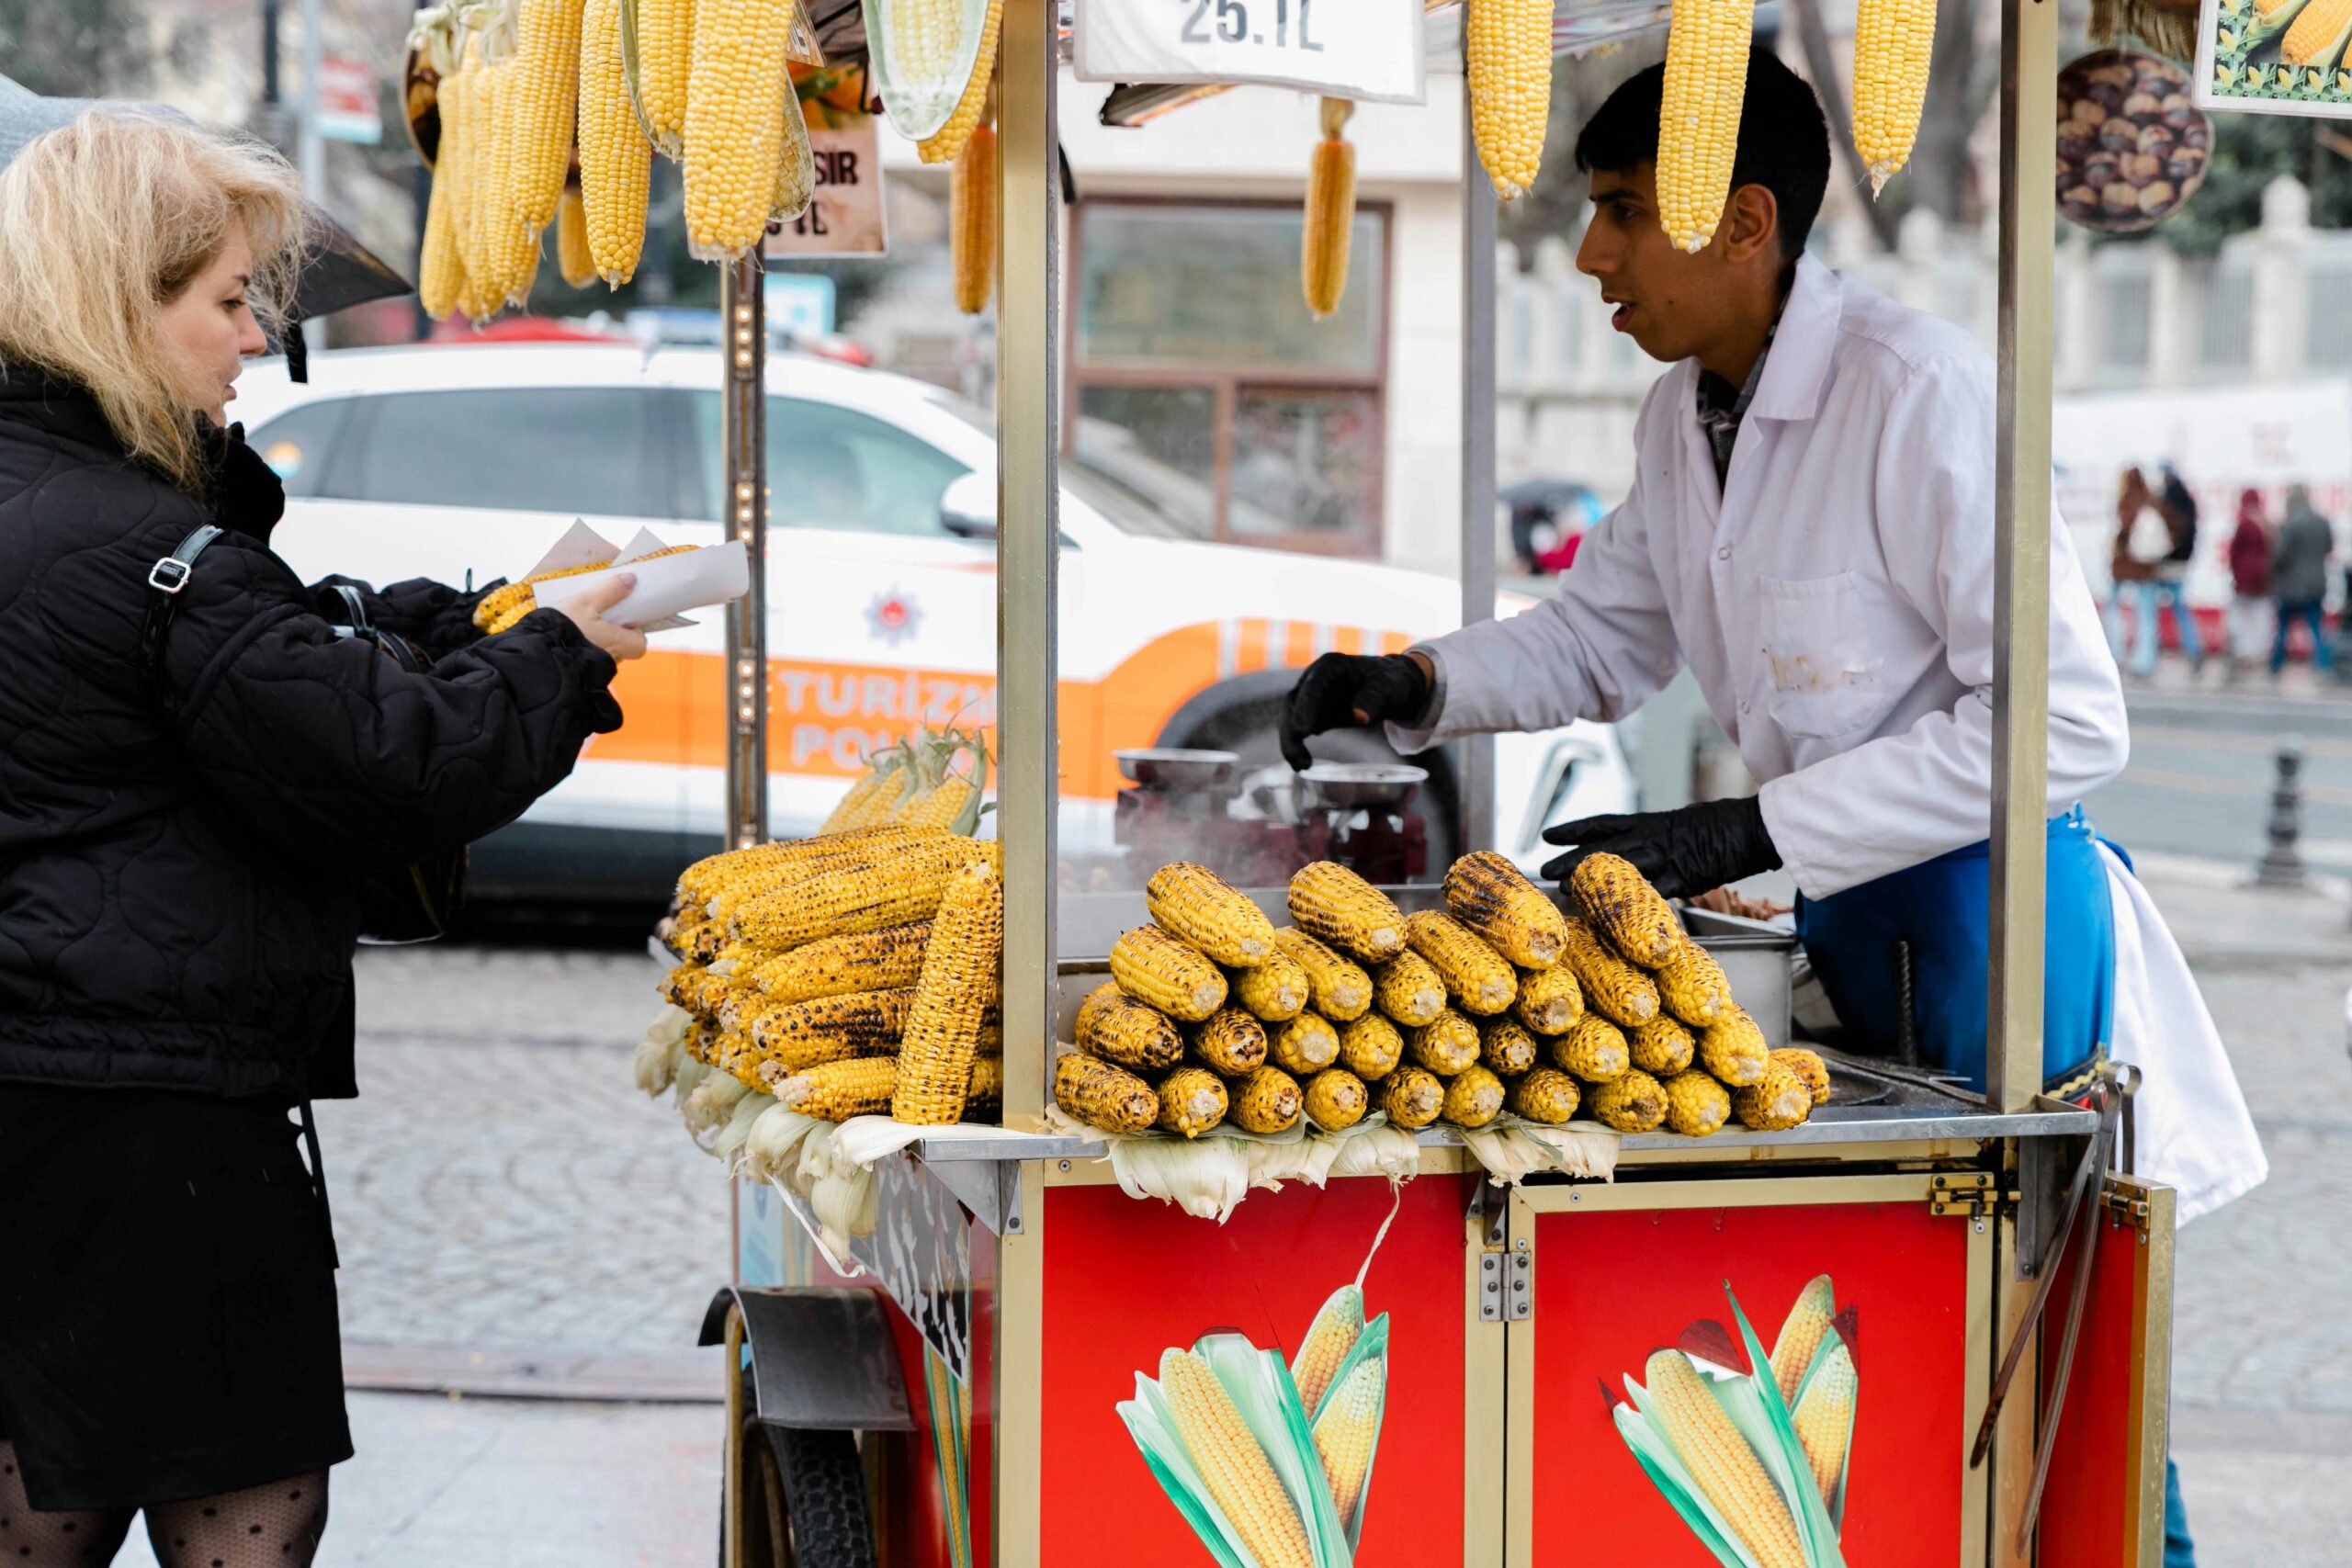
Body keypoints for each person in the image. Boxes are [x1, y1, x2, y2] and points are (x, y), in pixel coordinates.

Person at [1279, 54, 2254, 1566]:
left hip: (2001, 932)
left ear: (1742, 222)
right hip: (1854, 919)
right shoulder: (1685, 414)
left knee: (2061, 1360)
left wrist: (1747, 831)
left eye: (1616, 214)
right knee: (1907, 1353)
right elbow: (1606, 634)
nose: (1589, 254)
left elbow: (2066, 719)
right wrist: (1409, 681)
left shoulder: (1915, 391)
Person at [0, 112, 647, 1566]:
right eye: (226, 301)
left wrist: (449, 614)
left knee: (36, 1485)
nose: (253, 338)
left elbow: (265, 656)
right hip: (159, 1116)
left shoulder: (97, 522)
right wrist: (566, 648)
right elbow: (403, 764)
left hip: (26, 1099)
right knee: (245, 1501)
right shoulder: (152, 549)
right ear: (118, 304)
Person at [2110, 465, 2203, 680]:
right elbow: (2181, 527)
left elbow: (2124, 533)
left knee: (2143, 614)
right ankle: (2190, 650)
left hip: (2140, 568)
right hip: (2159, 567)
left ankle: (2140, 659)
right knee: (2174, 611)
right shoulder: (2156, 501)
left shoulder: (2131, 502)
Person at [2267, 484, 2334, 678]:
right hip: (2316, 584)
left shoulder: (2290, 524)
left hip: (2291, 586)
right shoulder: (2322, 522)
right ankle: (2324, 667)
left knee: (2282, 631)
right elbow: (2329, 548)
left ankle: (2275, 668)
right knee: (2317, 630)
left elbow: (2281, 555)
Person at [2224, 488, 2272, 682]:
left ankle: (2245, 653)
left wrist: (2235, 572)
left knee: (2243, 616)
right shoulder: (2266, 523)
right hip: (2263, 578)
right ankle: (2259, 653)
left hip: (2245, 576)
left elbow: (2235, 551)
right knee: (2260, 616)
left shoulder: (2244, 523)